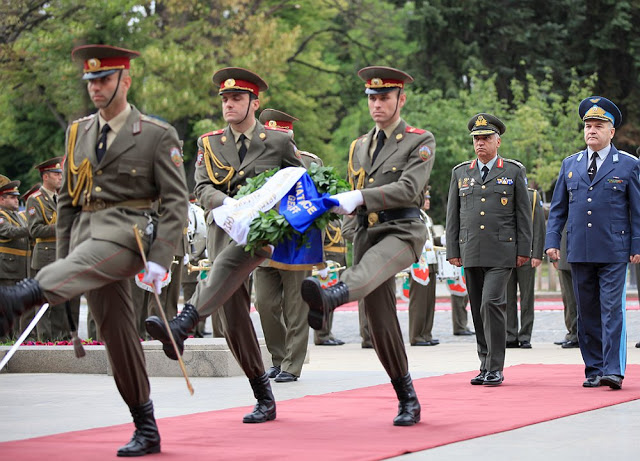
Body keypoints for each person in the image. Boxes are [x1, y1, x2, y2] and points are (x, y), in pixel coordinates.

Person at [0, 44, 188, 456]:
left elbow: (176, 201)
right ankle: (146, 425)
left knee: (98, 282)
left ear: (126, 80)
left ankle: (17, 299)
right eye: (91, 81)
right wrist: (67, 258)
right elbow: (67, 201)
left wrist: (160, 258)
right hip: (86, 239)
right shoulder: (78, 132)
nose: (96, 88)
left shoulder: (156, 134)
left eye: (104, 79)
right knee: (117, 334)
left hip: (130, 235)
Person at [145, 67, 303, 423]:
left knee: (234, 266)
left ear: (254, 103)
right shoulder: (209, 143)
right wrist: (228, 206)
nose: (229, 104)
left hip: (261, 235)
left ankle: (183, 323)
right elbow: (201, 188)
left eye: (237, 98)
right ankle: (263, 395)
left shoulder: (277, 141)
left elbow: (300, 182)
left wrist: (283, 218)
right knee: (233, 320)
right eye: (225, 99)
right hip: (223, 231)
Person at [300, 66, 436, 426]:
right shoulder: (359, 146)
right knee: (380, 323)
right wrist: (348, 230)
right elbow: (350, 187)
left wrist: (360, 197)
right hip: (365, 234)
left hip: (402, 230)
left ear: (400, 99)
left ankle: (331, 297)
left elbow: (408, 189)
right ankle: (407, 396)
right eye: (373, 98)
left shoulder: (419, 140)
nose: (377, 104)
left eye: (385, 98)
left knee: (369, 269)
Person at [545, 96, 640, 390]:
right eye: (588, 125)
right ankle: (594, 368)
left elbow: (637, 209)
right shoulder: (570, 164)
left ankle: (613, 369)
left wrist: (637, 245)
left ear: (612, 131)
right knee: (586, 312)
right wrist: (551, 241)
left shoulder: (627, 165)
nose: (591, 130)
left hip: (614, 249)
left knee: (612, 309)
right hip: (580, 249)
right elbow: (559, 208)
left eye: (599, 125)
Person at [445, 113, 532, 386]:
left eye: (486, 138)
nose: (480, 143)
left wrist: (524, 250)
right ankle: (484, 363)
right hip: (470, 250)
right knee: (477, 308)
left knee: (491, 302)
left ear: (498, 141)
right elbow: (453, 215)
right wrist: (452, 249)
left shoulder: (513, 171)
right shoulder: (461, 172)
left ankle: (495, 367)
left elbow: (523, 215)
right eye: (476, 139)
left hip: (501, 251)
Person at [253, 108, 317, 382]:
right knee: (265, 304)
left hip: (296, 244)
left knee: (295, 306)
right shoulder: (255, 161)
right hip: (264, 244)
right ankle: (278, 358)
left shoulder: (310, 163)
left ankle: (292, 364)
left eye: (280, 134)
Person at [25, 157, 82, 342]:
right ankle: (45, 341)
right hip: (46, 256)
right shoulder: (36, 201)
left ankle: (62, 339)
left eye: (61, 174)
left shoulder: (62, 198)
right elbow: (34, 230)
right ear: (46, 176)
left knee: (63, 302)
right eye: (56, 174)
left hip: (64, 255)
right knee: (45, 303)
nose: (60, 177)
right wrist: (62, 226)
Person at [505, 186, 546, 349]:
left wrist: (537, 254)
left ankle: (525, 335)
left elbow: (538, 226)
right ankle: (510, 335)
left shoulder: (532, 196)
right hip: (506, 254)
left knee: (527, 297)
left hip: (527, 254)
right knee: (507, 297)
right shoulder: (502, 192)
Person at [0, 175, 30, 341]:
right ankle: (4, 340)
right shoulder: (1, 215)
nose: (16, 200)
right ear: (2, 199)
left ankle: (13, 338)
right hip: (6, 269)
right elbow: (8, 232)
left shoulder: (19, 215)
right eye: (12, 197)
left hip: (20, 268)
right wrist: (31, 228)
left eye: (17, 197)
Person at [408, 190, 440, 346]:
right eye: (425, 197)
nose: (428, 200)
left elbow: (432, 239)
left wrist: (442, 239)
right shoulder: (412, 215)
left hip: (431, 261)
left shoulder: (426, 217)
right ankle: (416, 335)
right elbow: (409, 236)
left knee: (429, 301)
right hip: (419, 262)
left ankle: (426, 333)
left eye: (428, 197)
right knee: (418, 301)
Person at [314, 218, 346, 346]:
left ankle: (327, 333)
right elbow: (319, 242)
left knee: (330, 299)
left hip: (336, 263)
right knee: (323, 300)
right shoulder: (324, 218)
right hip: (328, 264)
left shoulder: (336, 219)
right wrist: (322, 263)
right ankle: (321, 335)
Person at [552, 225, 579, 348]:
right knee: (568, 298)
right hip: (563, 252)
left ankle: (578, 334)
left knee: (579, 298)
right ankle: (572, 332)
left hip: (580, 252)